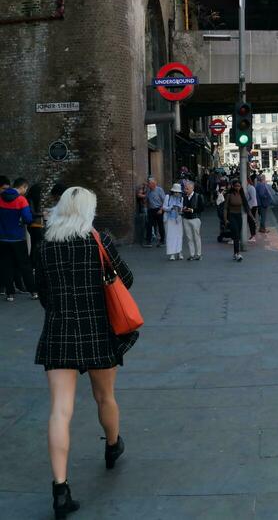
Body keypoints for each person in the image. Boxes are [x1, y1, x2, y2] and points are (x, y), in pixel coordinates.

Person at [35, 186, 138, 518]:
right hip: (98, 333)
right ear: (88, 211)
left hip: (59, 333)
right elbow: (127, 279)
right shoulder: (99, 241)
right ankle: (112, 446)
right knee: (105, 397)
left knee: (59, 412)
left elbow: (43, 294)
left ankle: (60, 489)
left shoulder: (45, 246)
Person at [0, 174, 36, 302]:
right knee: (25, 265)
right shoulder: (21, 200)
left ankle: (10, 294)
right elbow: (27, 219)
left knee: (6, 265)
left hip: (3, 239)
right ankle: (33, 291)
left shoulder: (0, 198)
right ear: (23, 187)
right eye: (25, 189)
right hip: (18, 238)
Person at [25, 182, 46, 274]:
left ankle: (33, 263)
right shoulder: (30, 199)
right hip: (34, 225)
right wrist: (43, 214)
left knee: (35, 244)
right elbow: (32, 213)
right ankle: (33, 264)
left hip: (36, 225)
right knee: (36, 245)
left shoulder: (32, 199)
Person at [223, 180, 246, 261]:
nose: (237, 187)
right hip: (231, 216)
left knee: (238, 235)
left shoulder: (241, 195)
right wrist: (225, 219)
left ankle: (235, 253)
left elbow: (246, 206)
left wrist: (252, 218)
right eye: (236, 186)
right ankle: (237, 253)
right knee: (236, 234)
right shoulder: (229, 195)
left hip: (239, 216)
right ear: (233, 186)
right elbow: (225, 208)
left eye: (239, 186)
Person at [161, 183, 184, 260]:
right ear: (173, 191)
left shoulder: (181, 199)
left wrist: (180, 209)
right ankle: (172, 254)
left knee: (179, 236)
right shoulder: (168, 197)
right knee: (170, 237)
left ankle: (179, 252)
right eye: (175, 192)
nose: (177, 193)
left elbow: (182, 208)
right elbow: (164, 207)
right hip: (169, 219)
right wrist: (171, 208)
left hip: (178, 219)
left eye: (178, 192)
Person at [181, 180, 203, 261]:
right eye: (185, 188)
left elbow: (201, 208)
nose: (185, 190)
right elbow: (182, 206)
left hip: (195, 218)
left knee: (196, 236)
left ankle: (199, 254)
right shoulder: (184, 197)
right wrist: (183, 209)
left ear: (192, 188)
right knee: (189, 237)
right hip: (186, 219)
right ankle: (192, 254)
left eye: (187, 188)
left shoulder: (198, 196)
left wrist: (192, 210)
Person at [145, 177, 165, 247]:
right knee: (149, 225)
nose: (148, 185)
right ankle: (148, 241)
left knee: (160, 225)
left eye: (149, 183)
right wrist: (147, 207)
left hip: (159, 209)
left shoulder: (159, 190)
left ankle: (162, 241)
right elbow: (146, 199)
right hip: (151, 210)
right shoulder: (148, 191)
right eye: (148, 183)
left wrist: (161, 209)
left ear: (153, 184)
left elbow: (164, 201)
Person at [244, 179, 258, 243]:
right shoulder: (246, 187)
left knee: (251, 221)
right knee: (250, 221)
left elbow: (253, 199)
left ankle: (253, 236)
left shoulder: (251, 188)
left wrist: (249, 207)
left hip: (252, 206)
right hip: (250, 206)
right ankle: (252, 235)